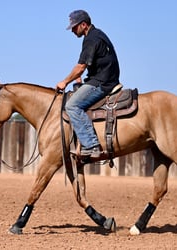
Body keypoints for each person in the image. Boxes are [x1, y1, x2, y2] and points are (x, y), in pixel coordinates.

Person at [56, 10, 120, 158]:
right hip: (103, 78)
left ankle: (91, 145)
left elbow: (80, 67)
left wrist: (64, 82)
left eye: (74, 26)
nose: (72, 30)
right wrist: (79, 78)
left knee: (71, 106)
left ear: (84, 25)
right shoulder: (96, 34)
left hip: (103, 82)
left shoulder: (91, 38)